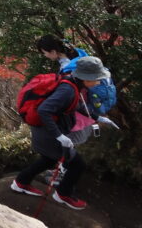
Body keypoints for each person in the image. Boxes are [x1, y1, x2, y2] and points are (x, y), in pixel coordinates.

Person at [11, 56, 112, 211]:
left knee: (49, 160)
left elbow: (76, 106)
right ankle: (63, 195)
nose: (98, 82)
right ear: (85, 78)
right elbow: (44, 110)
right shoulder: (68, 90)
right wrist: (60, 136)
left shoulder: (72, 82)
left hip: (43, 130)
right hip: (49, 133)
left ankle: (20, 182)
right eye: (97, 79)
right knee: (77, 165)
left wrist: (98, 118)